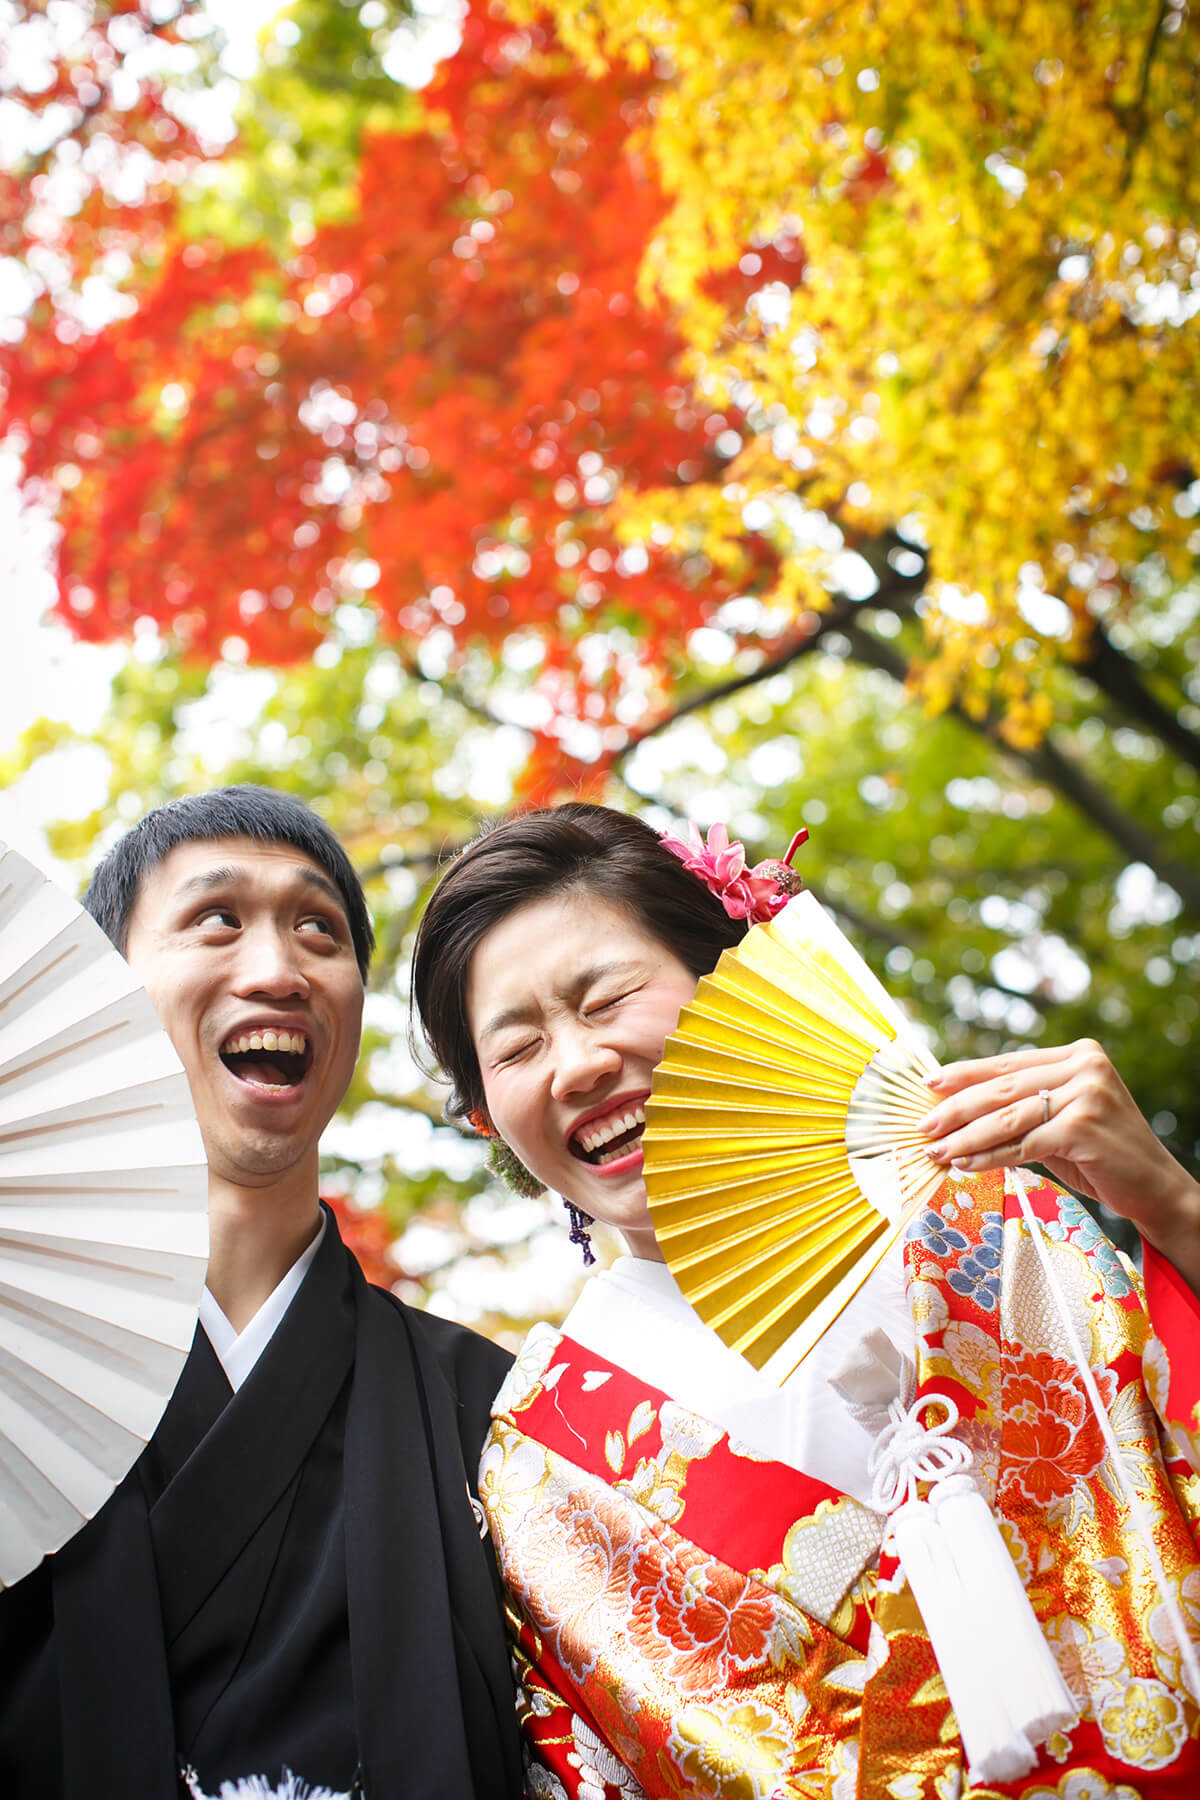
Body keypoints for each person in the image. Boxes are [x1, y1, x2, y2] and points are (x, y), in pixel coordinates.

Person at [412, 801, 1200, 1799]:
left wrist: (1172, 1205)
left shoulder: (990, 1210)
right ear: (489, 1118)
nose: (577, 1064)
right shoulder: (542, 1484)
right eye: (518, 1050)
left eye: (606, 998)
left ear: (728, 978)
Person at [0, 786, 523, 1800]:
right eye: (217, 919)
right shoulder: (21, 1366)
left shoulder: (488, 1404)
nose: (278, 970)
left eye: (318, 930)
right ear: (106, 988)